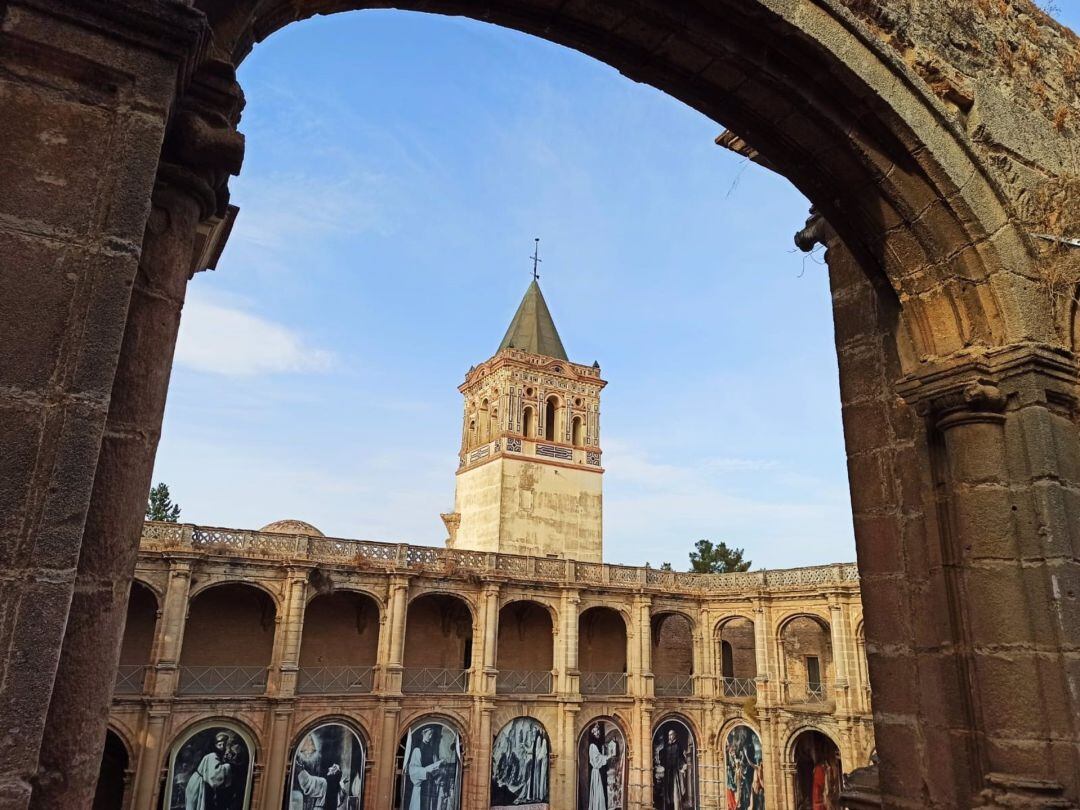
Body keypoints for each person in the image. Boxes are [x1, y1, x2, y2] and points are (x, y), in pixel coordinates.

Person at [184, 731, 234, 810]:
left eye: (224, 744)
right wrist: (228, 766)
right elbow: (215, 775)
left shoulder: (216, 756)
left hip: (199, 782)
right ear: (215, 745)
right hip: (197, 784)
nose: (222, 747)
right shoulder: (212, 756)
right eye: (219, 745)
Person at [404, 727, 444, 810]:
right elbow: (413, 770)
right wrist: (426, 772)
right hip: (420, 786)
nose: (430, 737)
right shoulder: (417, 750)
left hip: (429, 785)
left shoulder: (431, 750)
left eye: (431, 735)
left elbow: (434, 764)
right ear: (423, 734)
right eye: (429, 734)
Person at [653, 727, 691, 810]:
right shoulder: (666, 747)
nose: (670, 736)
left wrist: (682, 766)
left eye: (671, 735)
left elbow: (682, 758)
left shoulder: (679, 746)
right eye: (669, 735)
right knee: (667, 792)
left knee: (676, 791)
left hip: (676, 772)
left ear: (675, 735)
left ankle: (677, 807)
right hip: (668, 772)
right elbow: (662, 757)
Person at [586, 723, 617, 810]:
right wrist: (608, 756)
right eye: (595, 732)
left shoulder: (597, 744)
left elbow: (600, 756)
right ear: (593, 733)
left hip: (599, 771)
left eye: (598, 731)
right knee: (598, 792)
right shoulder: (592, 746)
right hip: (596, 772)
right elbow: (596, 760)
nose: (597, 733)